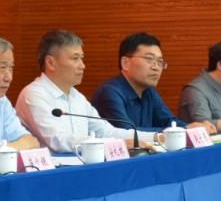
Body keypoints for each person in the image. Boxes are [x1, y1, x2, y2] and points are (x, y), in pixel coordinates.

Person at [15, 29, 161, 153]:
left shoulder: (76, 97)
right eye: (75, 59)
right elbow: (57, 140)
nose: (82, 66)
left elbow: (105, 131)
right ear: (51, 63)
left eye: (82, 58)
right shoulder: (34, 94)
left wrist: (155, 137)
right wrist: (113, 144)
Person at [91, 32, 215, 134]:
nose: (156, 67)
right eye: (149, 59)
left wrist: (192, 128)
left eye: (160, 62)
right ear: (125, 63)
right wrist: (181, 131)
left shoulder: (148, 91)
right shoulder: (109, 92)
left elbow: (169, 121)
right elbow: (126, 132)